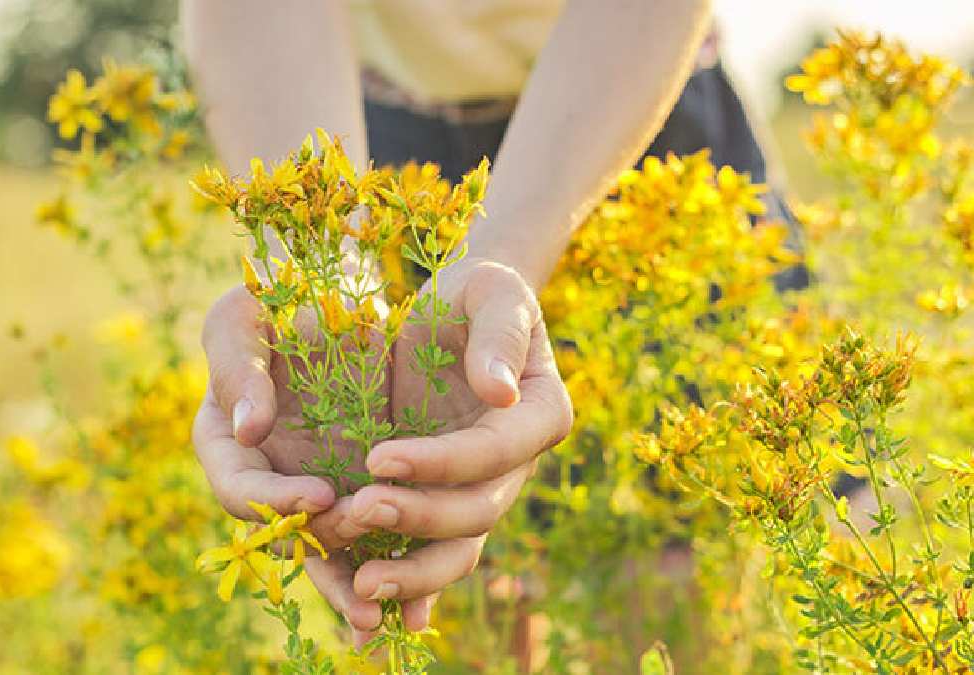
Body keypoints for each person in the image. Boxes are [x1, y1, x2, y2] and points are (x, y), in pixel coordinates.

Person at [183, 0, 790, 644]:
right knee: (444, 604)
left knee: (665, 593)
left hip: (631, 108)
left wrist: (504, 255)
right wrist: (314, 276)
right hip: (363, 128)